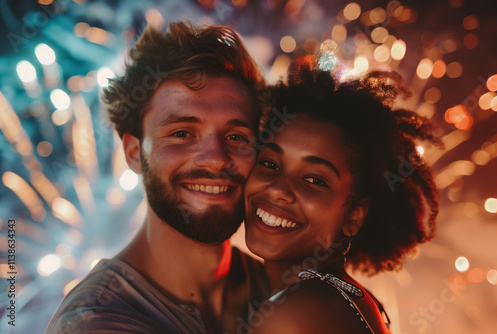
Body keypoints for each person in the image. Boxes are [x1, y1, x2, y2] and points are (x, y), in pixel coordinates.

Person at [46, 21, 270, 334]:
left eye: (236, 136)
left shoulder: (280, 289)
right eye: (182, 133)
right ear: (135, 153)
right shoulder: (96, 322)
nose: (217, 158)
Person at [243, 55, 441, 333]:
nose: (277, 189)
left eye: (314, 180)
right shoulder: (349, 300)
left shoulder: (296, 315)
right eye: (270, 164)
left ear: (354, 215)